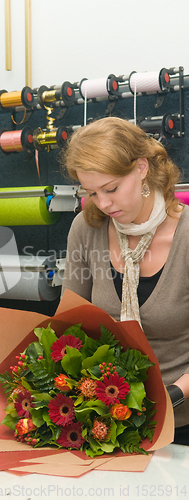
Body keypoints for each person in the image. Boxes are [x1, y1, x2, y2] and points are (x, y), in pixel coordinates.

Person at [60, 116, 189, 445]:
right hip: (106, 419)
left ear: (142, 168)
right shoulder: (86, 229)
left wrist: (170, 396)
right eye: (91, 192)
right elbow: (67, 328)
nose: (102, 204)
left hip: (182, 421)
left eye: (112, 189)